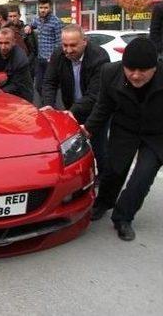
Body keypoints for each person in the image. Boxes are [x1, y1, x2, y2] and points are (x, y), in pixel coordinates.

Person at [84, 38, 163, 241]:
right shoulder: (110, 73)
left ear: (155, 68)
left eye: (143, 70)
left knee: (142, 177)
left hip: (156, 133)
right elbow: (103, 107)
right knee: (114, 170)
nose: (135, 75)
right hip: (125, 128)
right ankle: (103, 203)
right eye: (130, 69)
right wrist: (88, 130)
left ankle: (123, 218)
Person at [42, 24, 110, 174]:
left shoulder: (100, 57)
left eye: (73, 45)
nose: (68, 50)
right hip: (72, 109)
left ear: (84, 41)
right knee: (72, 149)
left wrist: (71, 112)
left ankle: (105, 181)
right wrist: (48, 105)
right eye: (65, 45)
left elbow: (95, 94)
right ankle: (80, 177)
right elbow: (49, 82)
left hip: (96, 110)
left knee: (99, 148)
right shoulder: (59, 54)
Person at [25, 0, 63, 101]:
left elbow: (59, 43)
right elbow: (31, 24)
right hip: (40, 58)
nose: (43, 10)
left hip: (50, 60)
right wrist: (28, 26)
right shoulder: (37, 20)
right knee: (38, 85)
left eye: (45, 7)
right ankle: (45, 101)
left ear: (50, 7)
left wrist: (53, 57)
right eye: (41, 7)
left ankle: (50, 104)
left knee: (49, 85)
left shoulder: (56, 22)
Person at [8, 5, 38, 79]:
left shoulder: (26, 30)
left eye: (14, 16)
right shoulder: (6, 30)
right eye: (10, 16)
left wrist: (26, 62)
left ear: (19, 16)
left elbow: (33, 51)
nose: (12, 19)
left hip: (26, 66)